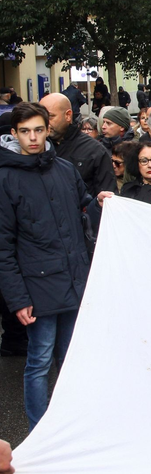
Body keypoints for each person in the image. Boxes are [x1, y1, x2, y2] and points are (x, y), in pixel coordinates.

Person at [0, 102, 106, 429]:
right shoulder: (5, 179)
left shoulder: (64, 169)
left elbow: (85, 210)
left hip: (74, 282)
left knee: (71, 360)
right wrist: (18, 299)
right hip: (38, 289)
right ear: (14, 134)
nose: (32, 137)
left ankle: (70, 426)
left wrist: (104, 204)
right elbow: (3, 246)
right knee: (39, 362)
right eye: (24, 131)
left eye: (38, 129)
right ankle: (39, 431)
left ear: (48, 129)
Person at [39, 93, 117, 197]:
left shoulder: (95, 150)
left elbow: (107, 196)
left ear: (68, 115)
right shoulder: (36, 147)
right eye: (41, 117)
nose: (45, 122)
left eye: (50, 116)